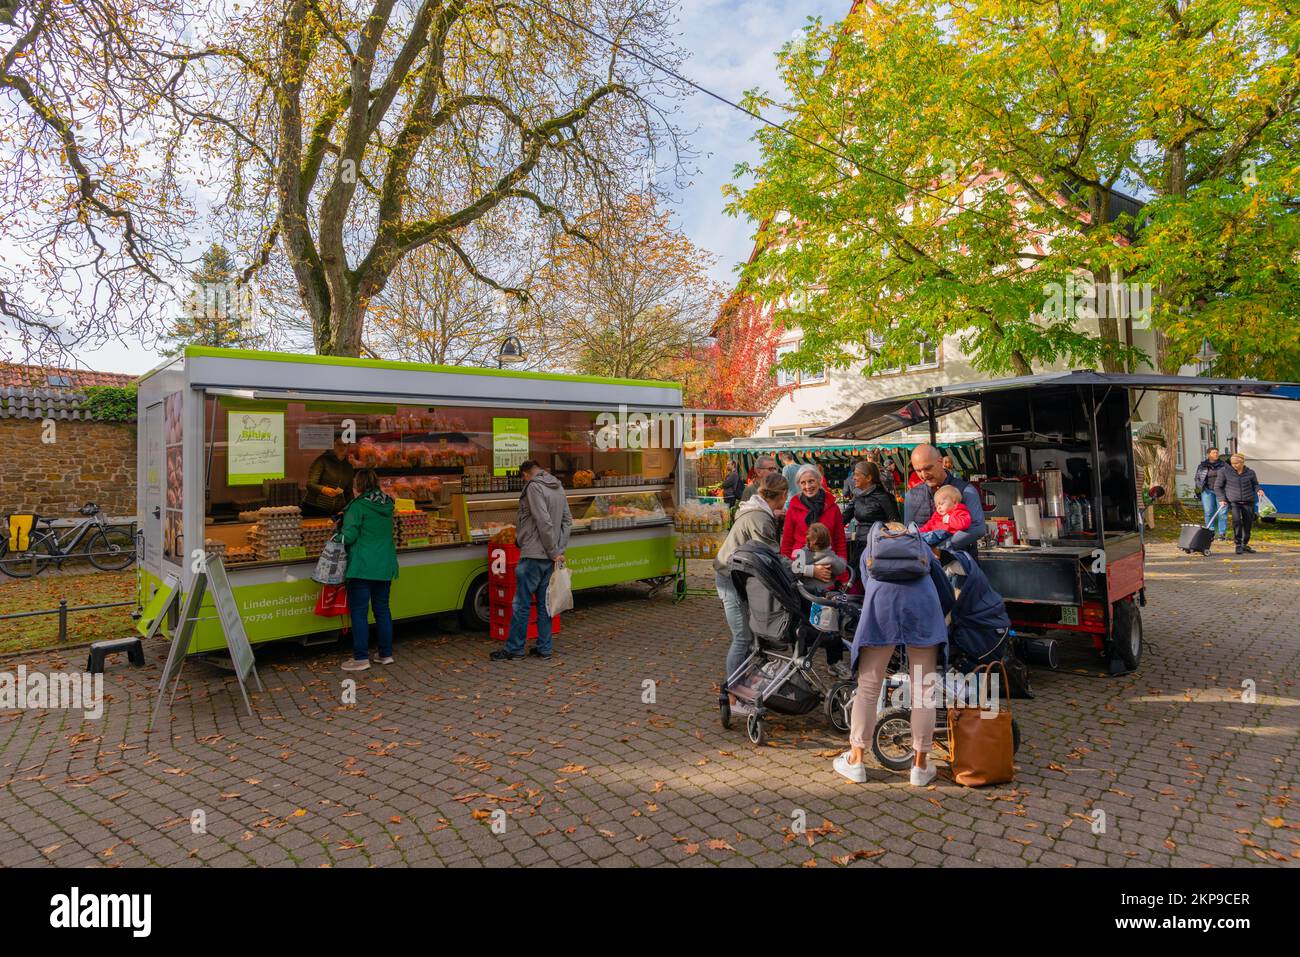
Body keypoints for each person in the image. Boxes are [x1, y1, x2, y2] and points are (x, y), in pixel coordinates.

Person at [834, 523, 953, 787]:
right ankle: (920, 766)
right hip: (923, 610)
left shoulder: (871, 548)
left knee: (868, 687)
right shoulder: (921, 545)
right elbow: (944, 589)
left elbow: (866, 581)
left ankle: (856, 761)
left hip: (881, 610)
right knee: (924, 690)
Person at [716, 472, 789, 713]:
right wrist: (802, 568)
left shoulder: (756, 511)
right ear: (781, 495)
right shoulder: (760, 518)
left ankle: (740, 689)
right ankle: (733, 697)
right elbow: (769, 559)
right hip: (729, 578)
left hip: (733, 576)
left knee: (747, 639)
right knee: (743, 638)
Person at [491, 459, 573, 661]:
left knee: (522, 604)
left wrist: (553, 551)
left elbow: (542, 520)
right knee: (546, 604)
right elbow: (567, 521)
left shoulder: (534, 487)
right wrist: (558, 550)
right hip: (550, 556)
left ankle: (515, 649)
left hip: (534, 554)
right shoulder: (558, 486)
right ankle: (544, 648)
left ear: (525, 474)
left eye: (523, 478)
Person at [782, 465, 851, 677]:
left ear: (819, 480)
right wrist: (804, 569)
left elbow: (839, 541)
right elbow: (786, 545)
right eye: (803, 483)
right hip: (802, 574)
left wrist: (841, 575)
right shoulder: (793, 506)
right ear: (798, 485)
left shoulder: (832, 506)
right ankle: (799, 661)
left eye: (811, 481)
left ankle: (835, 661)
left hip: (828, 576)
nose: (808, 486)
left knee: (831, 622)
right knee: (802, 622)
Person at [339, 468, 398, 671]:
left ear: (359, 486)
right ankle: (385, 654)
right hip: (384, 564)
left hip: (362, 566)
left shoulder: (357, 506)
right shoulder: (388, 503)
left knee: (359, 612)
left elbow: (350, 536)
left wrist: (336, 536)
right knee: (382, 610)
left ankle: (361, 658)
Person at [903, 444, 987, 556]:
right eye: (918, 471)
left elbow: (978, 528)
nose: (924, 475)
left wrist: (942, 548)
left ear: (941, 462)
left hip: (959, 564)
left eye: (928, 468)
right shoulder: (911, 495)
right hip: (924, 567)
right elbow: (909, 531)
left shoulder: (966, 490)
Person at [1214, 453, 1263, 555]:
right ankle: (1238, 545)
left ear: (1242, 462)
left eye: (1236, 463)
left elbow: (1256, 484)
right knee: (1237, 523)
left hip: (1248, 501)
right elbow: (1217, 487)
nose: (1234, 465)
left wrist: (1259, 490)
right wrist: (1222, 499)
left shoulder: (1250, 472)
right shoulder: (1224, 472)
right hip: (1234, 502)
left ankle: (1244, 544)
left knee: (1248, 524)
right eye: (1232, 463)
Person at [304, 437, 356, 517]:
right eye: (339, 445)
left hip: (335, 510)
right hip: (315, 507)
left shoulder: (348, 467)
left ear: (348, 448)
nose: (342, 447)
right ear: (333, 445)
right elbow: (310, 484)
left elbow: (348, 493)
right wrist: (324, 489)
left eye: (345, 445)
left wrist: (351, 508)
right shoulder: (322, 460)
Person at [792, 523, 847, 595]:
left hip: (806, 592)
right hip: (826, 592)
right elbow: (841, 568)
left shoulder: (802, 553)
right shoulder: (830, 557)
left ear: (808, 539)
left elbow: (795, 569)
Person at [1194, 447, 1229, 540]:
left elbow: (1230, 477)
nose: (1216, 454)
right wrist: (1199, 488)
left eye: (1217, 452)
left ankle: (1222, 533)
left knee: (1222, 513)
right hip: (1207, 491)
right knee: (1208, 512)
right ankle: (1210, 532)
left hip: (1221, 492)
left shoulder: (1224, 465)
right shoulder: (1202, 465)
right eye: (1214, 453)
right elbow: (1197, 478)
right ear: (1208, 454)